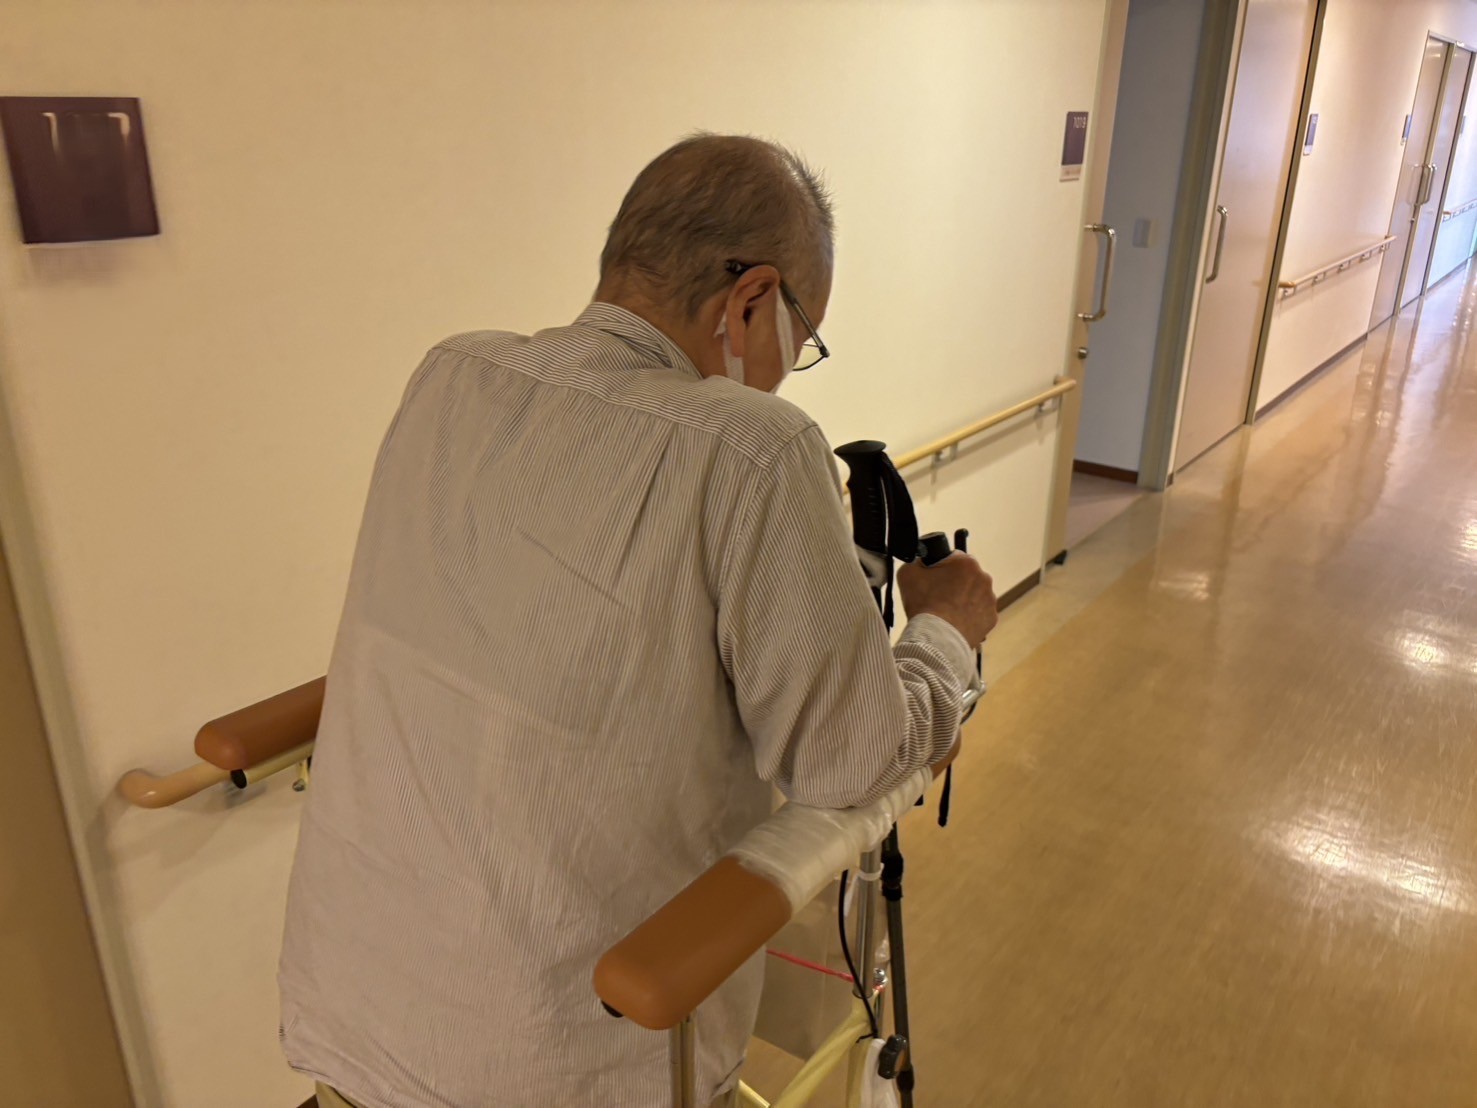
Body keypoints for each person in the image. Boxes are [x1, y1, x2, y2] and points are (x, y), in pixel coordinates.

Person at [279, 133, 998, 1108]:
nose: (789, 371)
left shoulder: (452, 372)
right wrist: (944, 635)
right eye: (802, 338)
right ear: (752, 301)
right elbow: (850, 763)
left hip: (348, 1010)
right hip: (553, 1063)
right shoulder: (752, 446)